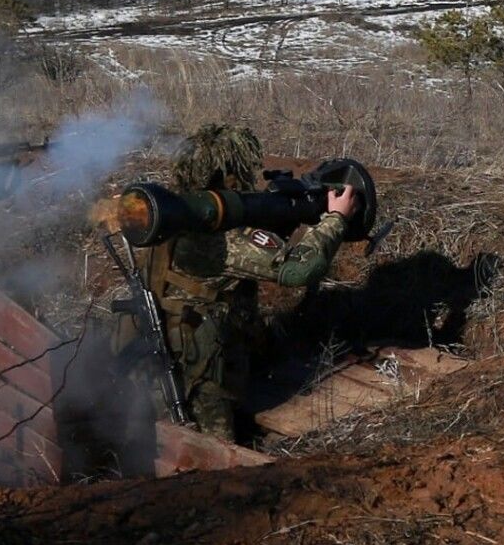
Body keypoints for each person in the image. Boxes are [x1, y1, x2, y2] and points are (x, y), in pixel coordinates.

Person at [112, 124, 358, 441]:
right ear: (229, 176)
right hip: (197, 374)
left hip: (152, 358)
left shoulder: (168, 214)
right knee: (210, 457)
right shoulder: (223, 237)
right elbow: (301, 269)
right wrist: (336, 218)